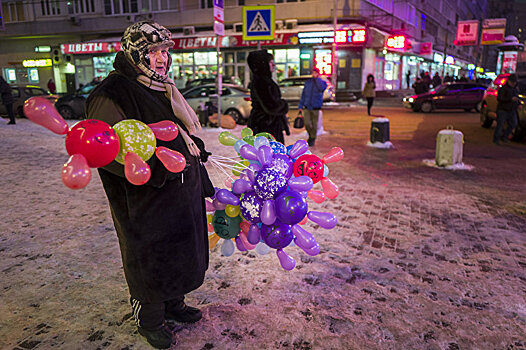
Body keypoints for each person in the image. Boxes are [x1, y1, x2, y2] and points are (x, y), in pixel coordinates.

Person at [85, 21, 209, 349]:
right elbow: (105, 149)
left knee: (178, 250)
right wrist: (154, 170)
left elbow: (175, 132)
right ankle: (149, 318)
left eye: (165, 51)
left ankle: (174, 304)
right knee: (150, 258)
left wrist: (195, 157)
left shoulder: (161, 86)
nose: (162, 58)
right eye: (153, 51)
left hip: (178, 192)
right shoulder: (113, 92)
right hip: (143, 200)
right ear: (135, 52)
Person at [247, 49, 290, 143]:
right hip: (266, 127)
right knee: (270, 155)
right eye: (270, 62)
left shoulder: (263, 80)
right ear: (263, 64)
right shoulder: (262, 82)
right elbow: (271, 106)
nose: (273, 65)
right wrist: (284, 105)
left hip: (266, 125)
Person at [298, 67, 327, 147]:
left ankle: (312, 138)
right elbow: (303, 94)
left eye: (315, 73)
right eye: (313, 73)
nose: (313, 74)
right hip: (307, 106)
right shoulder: (308, 82)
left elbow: (321, 88)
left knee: (314, 124)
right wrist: (300, 105)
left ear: (318, 74)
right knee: (307, 123)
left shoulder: (322, 83)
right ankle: (311, 135)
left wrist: (317, 79)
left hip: (316, 107)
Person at [493, 73, 519, 145]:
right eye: (512, 82)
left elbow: (517, 97)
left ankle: (504, 136)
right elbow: (500, 98)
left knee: (513, 124)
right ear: (509, 81)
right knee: (500, 125)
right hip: (503, 109)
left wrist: (518, 104)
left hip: (512, 110)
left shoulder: (515, 89)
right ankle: (496, 139)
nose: (514, 83)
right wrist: (510, 99)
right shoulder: (503, 88)